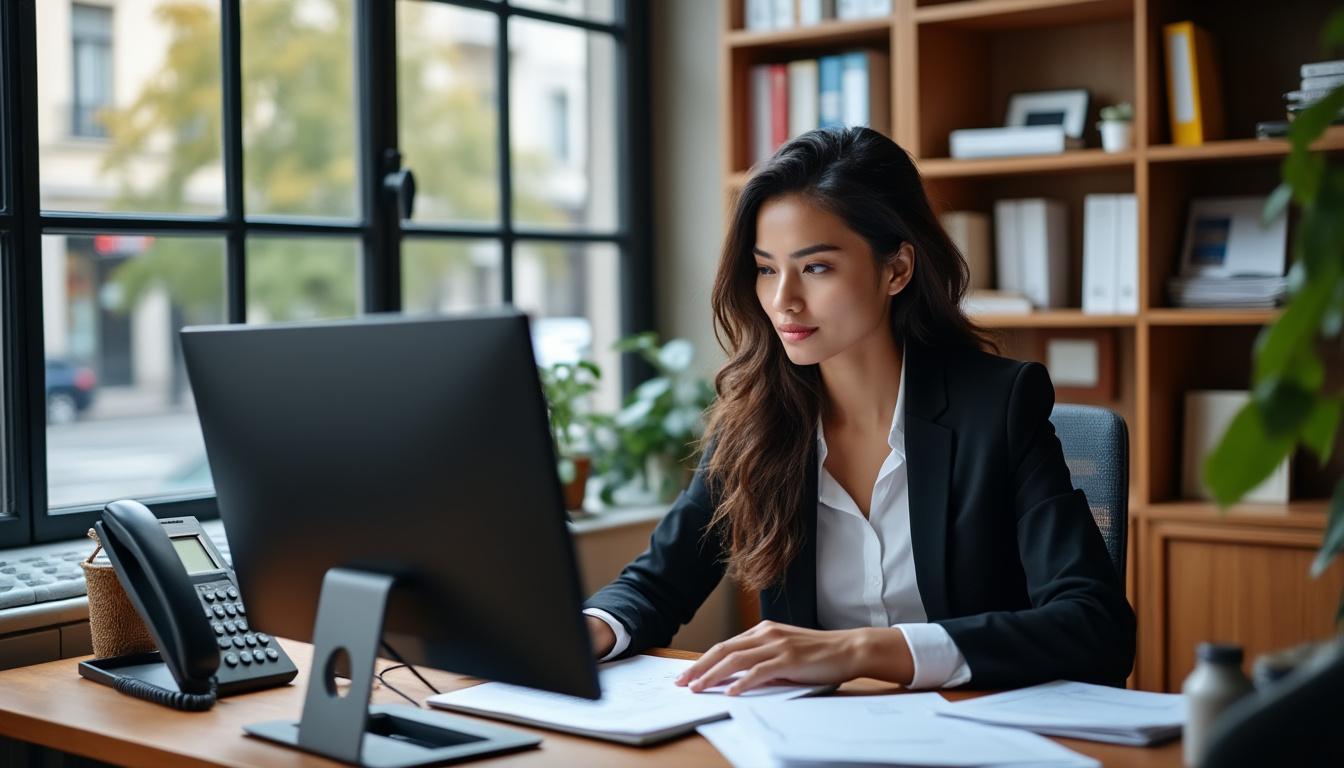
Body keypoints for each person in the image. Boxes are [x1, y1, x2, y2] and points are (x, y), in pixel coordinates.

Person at [582, 126, 1135, 694]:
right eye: (766, 268)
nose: (782, 301)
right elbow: (654, 586)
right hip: (812, 739)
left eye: (816, 267)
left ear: (896, 269)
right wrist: (589, 629)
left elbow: (1096, 627)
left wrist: (862, 651)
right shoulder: (755, 421)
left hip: (975, 731)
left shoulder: (998, 407)